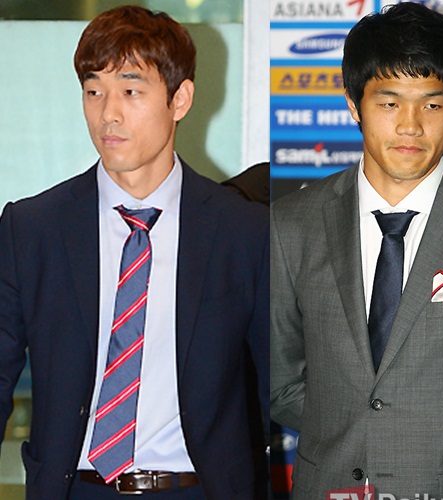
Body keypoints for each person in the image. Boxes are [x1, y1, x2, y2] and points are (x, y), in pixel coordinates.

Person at [270, 3, 443, 498]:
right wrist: (359, 424)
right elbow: (279, 381)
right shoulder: (291, 224)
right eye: (390, 103)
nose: (411, 126)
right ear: (354, 105)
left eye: (432, 105)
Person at [0, 6, 269, 499]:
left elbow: (283, 387)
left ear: (180, 99)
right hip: (75, 489)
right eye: (94, 91)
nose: (108, 113)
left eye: (130, 91)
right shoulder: (33, 229)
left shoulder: (243, 232)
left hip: (197, 490)